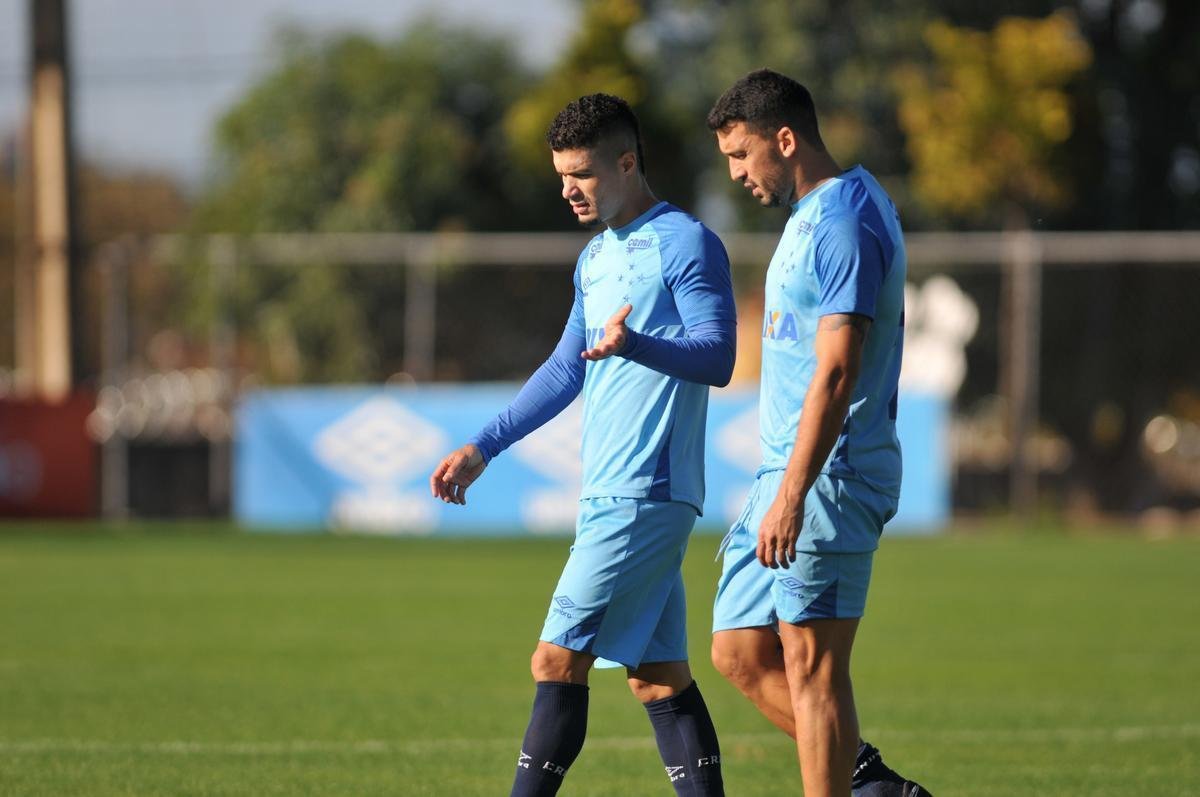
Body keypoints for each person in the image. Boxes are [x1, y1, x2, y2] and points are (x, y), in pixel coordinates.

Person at [430, 93, 735, 797]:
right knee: (658, 678)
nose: (567, 188)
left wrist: (638, 344)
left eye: (583, 174)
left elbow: (718, 355)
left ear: (627, 163)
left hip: (645, 492)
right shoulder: (596, 257)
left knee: (553, 660)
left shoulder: (685, 242)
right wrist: (484, 446)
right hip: (612, 492)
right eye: (561, 174)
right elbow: (568, 367)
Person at [705, 69, 932, 797]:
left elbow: (838, 370)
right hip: (786, 474)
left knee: (812, 668)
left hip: (829, 476)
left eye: (742, 156)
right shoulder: (813, 212)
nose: (737, 174)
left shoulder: (845, 219)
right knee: (740, 650)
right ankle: (876, 788)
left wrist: (795, 491)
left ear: (785, 138)